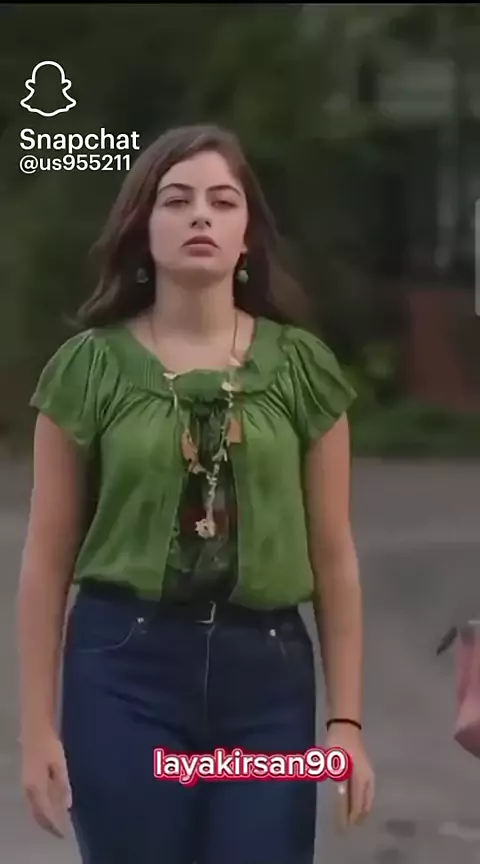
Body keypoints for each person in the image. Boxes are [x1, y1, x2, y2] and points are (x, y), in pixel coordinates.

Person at [17, 123, 375, 864]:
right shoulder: (88, 369)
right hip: (123, 674)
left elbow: (334, 555)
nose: (200, 217)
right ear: (142, 229)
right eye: (177, 201)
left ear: (247, 236)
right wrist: (36, 729)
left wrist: (346, 724)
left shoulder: (302, 369)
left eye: (222, 201)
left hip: (266, 683)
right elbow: (45, 562)